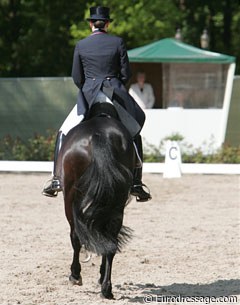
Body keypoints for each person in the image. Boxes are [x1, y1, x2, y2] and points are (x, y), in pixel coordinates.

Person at [42, 6, 151, 202]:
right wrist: (113, 84)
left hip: (89, 94)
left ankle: (56, 179)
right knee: (134, 131)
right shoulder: (118, 42)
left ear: (91, 24)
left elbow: (77, 77)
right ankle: (136, 182)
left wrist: (89, 87)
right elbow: (126, 74)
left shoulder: (81, 45)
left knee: (63, 131)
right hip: (114, 94)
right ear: (107, 23)